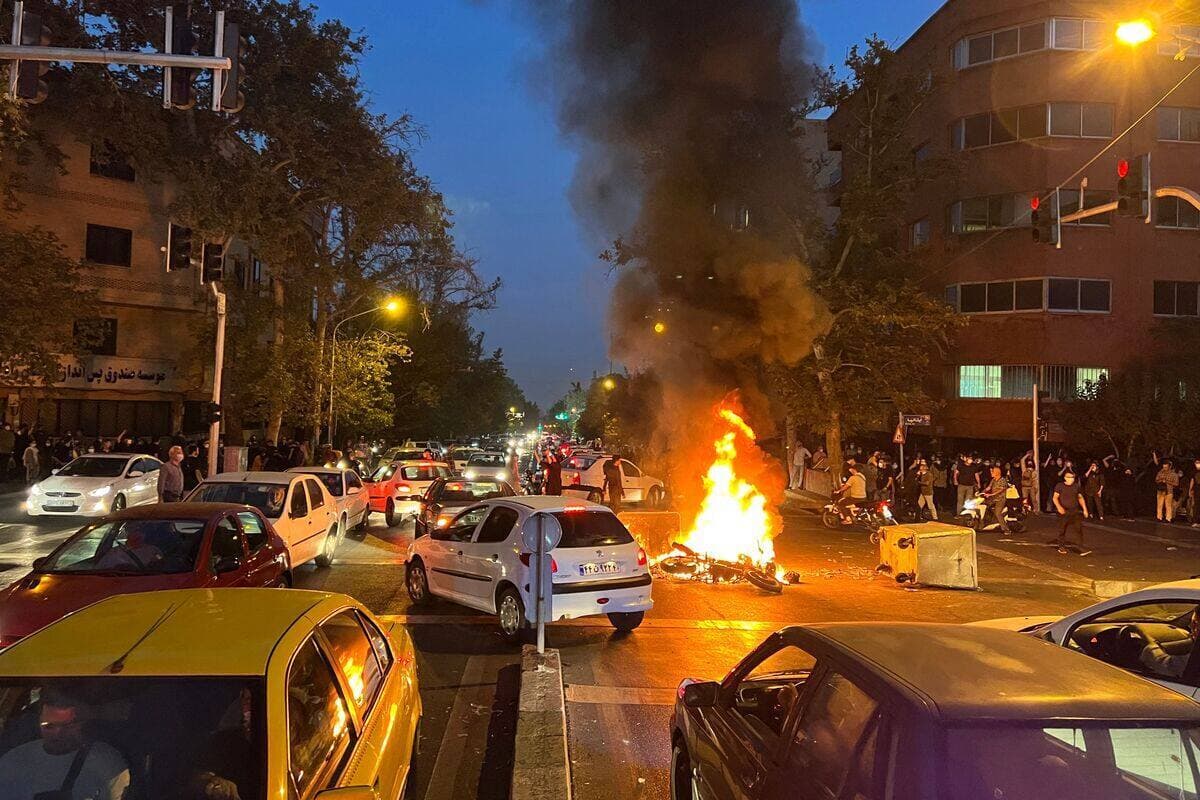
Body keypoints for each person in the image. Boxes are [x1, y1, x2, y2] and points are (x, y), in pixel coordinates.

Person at [0, 687, 130, 800]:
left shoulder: (106, 762)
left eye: (67, 726)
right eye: (49, 726)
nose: (58, 733)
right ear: (38, 723)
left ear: (82, 724)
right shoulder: (14, 760)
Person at [1052, 472, 1089, 553]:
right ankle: (1061, 546)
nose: (1071, 479)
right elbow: (1055, 498)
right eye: (1069, 477)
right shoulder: (1060, 486)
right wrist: (1059, 507)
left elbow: (1080, 498)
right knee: (1062, 529)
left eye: (1073, 477)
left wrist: (1085, 509)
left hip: (1074, 510)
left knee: (1078, 528)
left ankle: (1080, 547)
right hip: (1064, 511)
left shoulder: (1076, 486)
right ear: (1065, 478)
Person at [982, 465, 1010, 533]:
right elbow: (988, 487)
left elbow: (1001, 490)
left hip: (1000, 500)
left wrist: (991, 494)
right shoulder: (993, 480)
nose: (991, 473)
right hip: (993, 499)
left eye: (992, 472)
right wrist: (982, 492)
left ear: (996, 473)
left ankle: (1006, 529)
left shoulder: (1003, 480)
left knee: (998, 513)